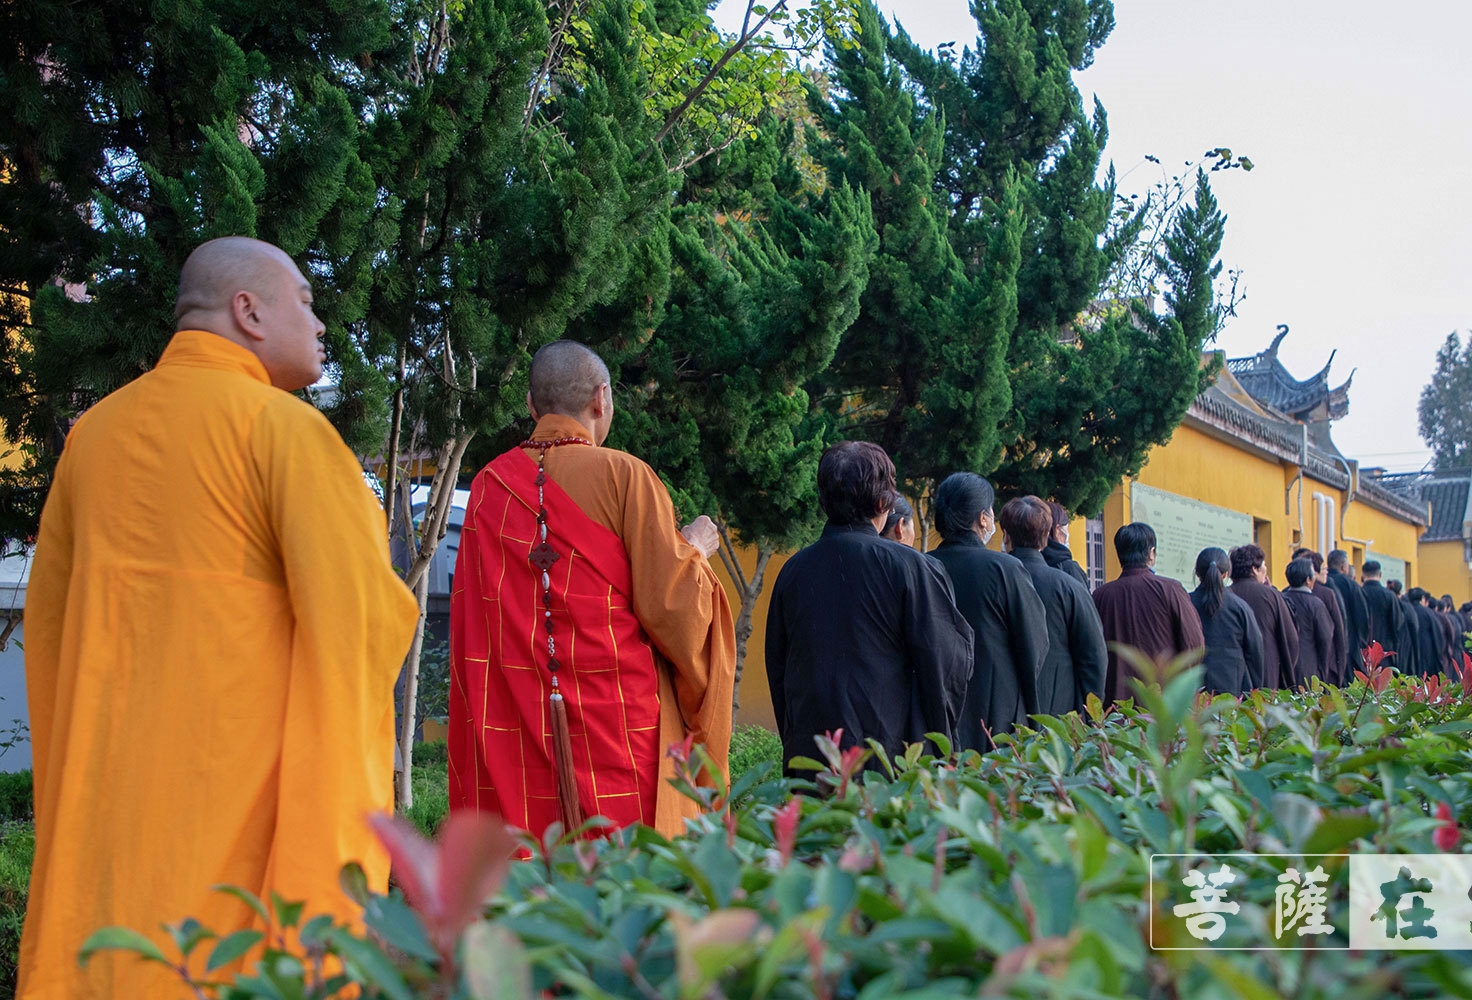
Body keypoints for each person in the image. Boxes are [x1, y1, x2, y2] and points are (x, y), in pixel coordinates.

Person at [19, 237, 420, 999]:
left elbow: (51, 633)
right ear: (248, 311)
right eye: (305, 300)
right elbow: (359, 632)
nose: (321, 322)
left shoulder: (91, 438)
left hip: (105, 841)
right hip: (235, 847)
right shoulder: (287, 433)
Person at [449, 341, 736, 840]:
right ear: (602, 399)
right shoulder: (625, 475)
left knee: (538, 870)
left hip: (517, 724)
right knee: (629, 870)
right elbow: (673, 611)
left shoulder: (487, 488)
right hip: (621, 728)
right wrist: (692, 550)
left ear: (532, 407)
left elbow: (476, 625)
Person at [766, 444, 973, 771]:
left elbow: (778, 669)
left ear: (823, 499)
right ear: (882, 503)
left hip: (811, 754)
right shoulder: (910, 567)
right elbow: (945, 663)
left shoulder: (792, 571)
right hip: (884, 756)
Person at [927, 473, 1049, 749]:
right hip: (996, 712)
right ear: (983, 518)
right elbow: (1034, 642)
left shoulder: (922, 566)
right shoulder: (1003, 568)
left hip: (934, 709)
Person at [999, 497, 1107, 715]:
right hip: (1060, 711)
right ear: (1045, 538)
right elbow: (1094, 655)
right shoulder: (1068, 586)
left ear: (1006, 536)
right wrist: (1089, 714)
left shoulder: (993, 582)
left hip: (1001, 715)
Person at [1092, 522, 1206, 702]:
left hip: (1116, 703)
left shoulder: (1100, 596)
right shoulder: (1170, 590)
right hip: (1162, 701)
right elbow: (1193, 642)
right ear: (1151, 553)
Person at [1189, 547, 1264, 695]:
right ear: (1225, 574)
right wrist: (1254, 689)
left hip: (1193, 691)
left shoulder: (1185, 603)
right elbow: (1255, 651)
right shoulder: (1240, 607)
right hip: (1233, 688)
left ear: (1197, 573)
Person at [1229, 544, 1301, 689]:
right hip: (1267, 671)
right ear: (1254, 569)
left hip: (1231, 673)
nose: (1265, 569)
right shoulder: (1270, 595)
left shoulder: (1225, 594)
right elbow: (1290, 639)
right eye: (1264, 565)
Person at [1293, 548, 1348, 685]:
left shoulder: (1285, 594)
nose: (1326, 571)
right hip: (1324, 665)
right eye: (1323, 568)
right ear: (1313, 572)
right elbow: (1337, 630)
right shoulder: (1327, 595)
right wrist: (1340, 667)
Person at [1282, 558, 1336, 685]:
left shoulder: (1281, 599)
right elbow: (1325, 638)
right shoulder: (1315, 604)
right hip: (1309, 668)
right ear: (1308, 579)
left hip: (1284, 666)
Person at [1327, 549, 1372, 675]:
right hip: (1349, 644)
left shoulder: (1321, 583)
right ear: (1343, 566)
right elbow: (1362, 617)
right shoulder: (1351, 585)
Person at [1359, 560, 1405, 668]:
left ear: (1363, 575)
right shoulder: (1390, 596)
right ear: (1380, 574)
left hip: (1362, 652)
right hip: (1385, 651)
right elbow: (1398, 624)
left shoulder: (1358, 593)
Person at [1043, 501, 1092, 589]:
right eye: (1066, 529)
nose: (1068, 534)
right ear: (1057, 530)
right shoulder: (1070, 569)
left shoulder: (1020, 567)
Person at [1406, 589, 1447, 677]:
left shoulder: (1406, 610)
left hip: (1409, 649)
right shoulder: (1429, 613)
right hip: (1426, 650)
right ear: (1423, 598)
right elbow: (1438, 633)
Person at [1388, 580, 1421, 676]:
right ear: (1400, 592)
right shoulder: (1408, 608)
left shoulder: (1385, 602)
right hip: (1405, 650)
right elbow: (1414, 628)